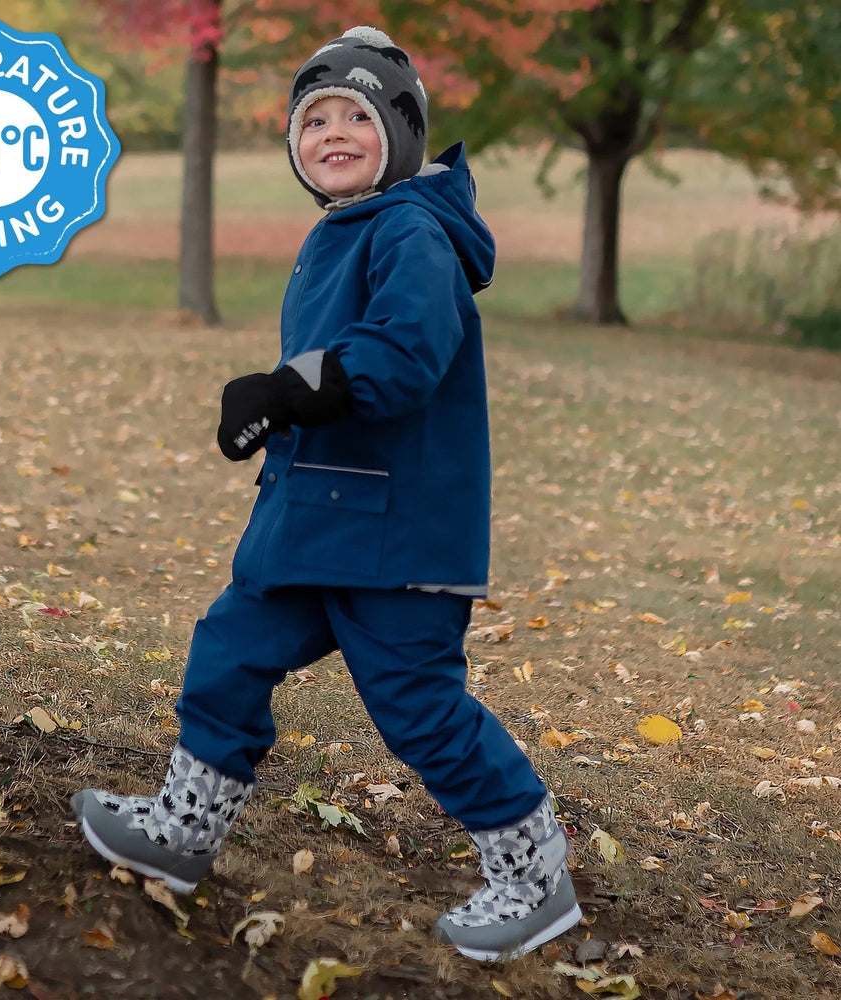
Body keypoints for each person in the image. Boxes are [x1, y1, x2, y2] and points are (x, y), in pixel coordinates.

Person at [71, 26, 582, 962]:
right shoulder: (341, 231)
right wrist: (273, 418)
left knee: (418, 706)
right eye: (314, 120)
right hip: (314, 520)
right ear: (294, 147)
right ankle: (184, 830)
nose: (333, 132)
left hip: (396, 533)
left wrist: (284, 388)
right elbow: (331, 374)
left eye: (358, 115)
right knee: (228, 648)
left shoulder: (410, 231)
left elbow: (403, 356)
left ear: (402, 132)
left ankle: (533, 874)